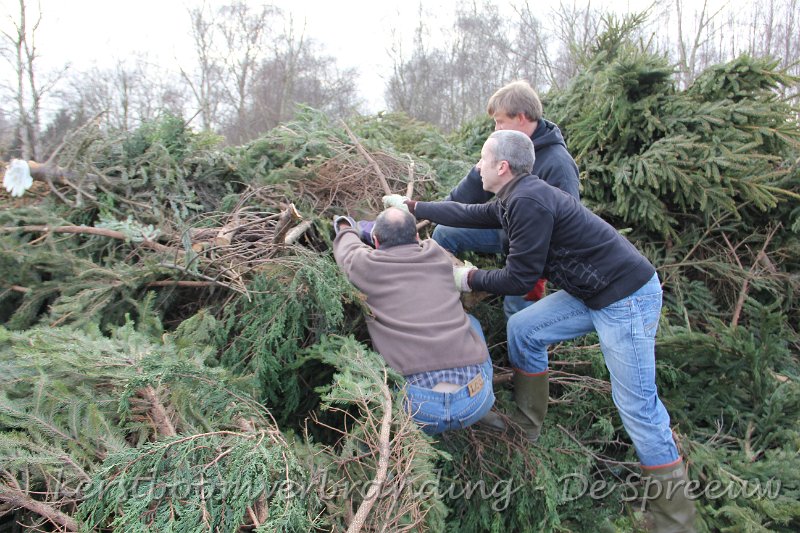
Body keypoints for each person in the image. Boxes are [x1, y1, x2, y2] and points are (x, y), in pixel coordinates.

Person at [384, 130, 696, 531]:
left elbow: (520, 278)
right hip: (592, 292)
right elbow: (471, 213)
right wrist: (412, 206)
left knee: (638, 407)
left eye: (482, 159)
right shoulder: (515, 196)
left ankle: (676, 521)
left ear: (502, 167)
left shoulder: (528, 201)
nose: (478, 166)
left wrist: (467, 278)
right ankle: (527, 425)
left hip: (626, 298)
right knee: (524, 329)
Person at [332, 207, 495, 435]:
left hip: (418, 409)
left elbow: (346, 247)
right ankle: (479, 404)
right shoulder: (436, 254)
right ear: (417, 237)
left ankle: (382, 442)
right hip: (475, 399)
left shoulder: (364, 266)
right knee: (472, 323)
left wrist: (344, 225)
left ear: (375, 241)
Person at [433, 80, 581, 317]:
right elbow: (475, 187)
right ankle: (441, 301)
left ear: (521, 118)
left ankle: (520, 331)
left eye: (500, 121)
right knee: (444, 232)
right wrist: (437, 211)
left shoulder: (558, 165)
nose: (496, 129)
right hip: (504, 226)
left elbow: (565, 226)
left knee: (516, 311)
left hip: (533, 247)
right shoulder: (504, 145)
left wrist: (534, 273)